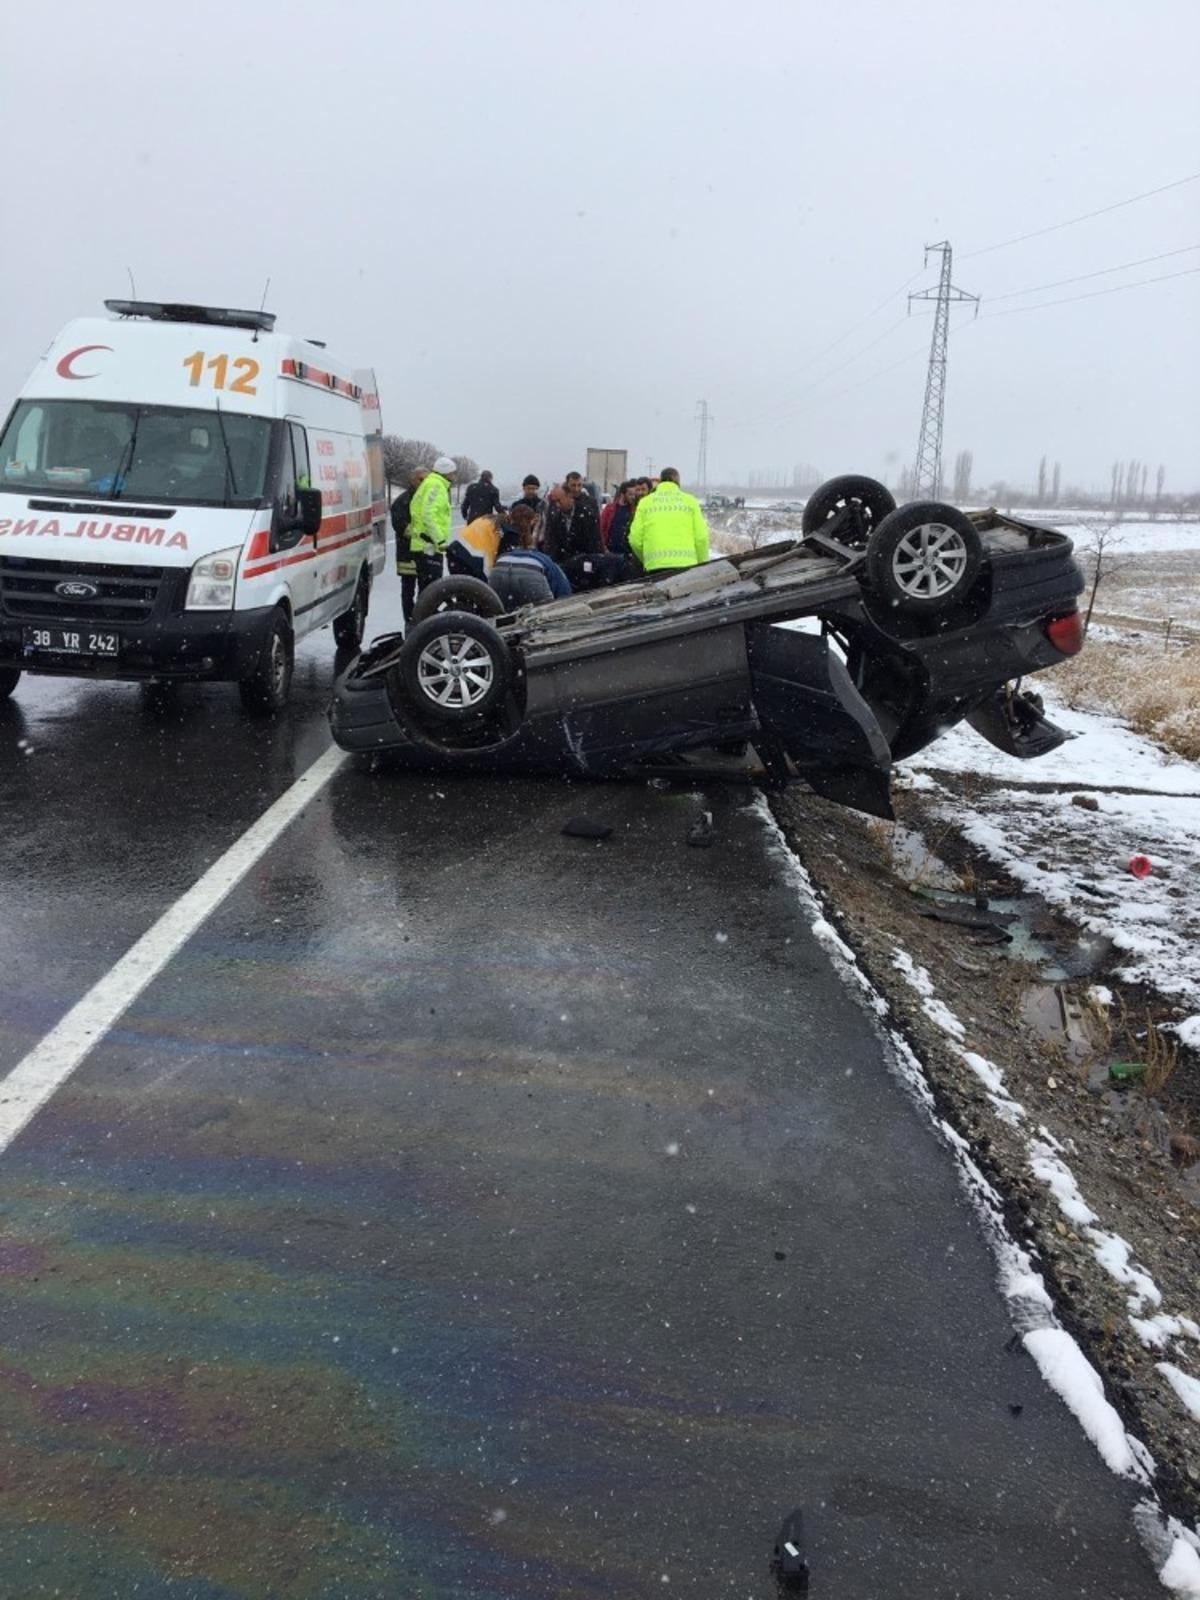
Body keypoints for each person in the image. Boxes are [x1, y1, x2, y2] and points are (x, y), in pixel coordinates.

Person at [628, 467, 710, 577]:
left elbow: (635, 540)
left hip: (655, 567)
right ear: (678, 482)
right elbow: (701, 538)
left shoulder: (645, 503)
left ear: (660, 481)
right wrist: (701, 564)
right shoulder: (690, 502)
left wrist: (646, 559)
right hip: (686, 566)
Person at [489, 504, 571, 609]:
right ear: (532, 522)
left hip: (499, 568)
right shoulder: (543, 559)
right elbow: (563, 591)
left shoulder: (501, 535)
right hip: (532, 572)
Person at [407, 454, 458, 594]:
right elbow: (428, 514)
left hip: (426, 545)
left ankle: (424, 615)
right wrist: (439, 540)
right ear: (446, 472)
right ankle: (426, 616)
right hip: (428, 546)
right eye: (453, 472)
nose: (455, 476)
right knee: (431, 592)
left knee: (427, 590)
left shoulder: (433, 484)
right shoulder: (436, 486)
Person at [390, 467, 427, 624]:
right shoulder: (403, 501)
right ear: (412, 480)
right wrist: (419, 535)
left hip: (424, 552)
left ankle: (422, 618)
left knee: (425, 589)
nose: (424, 482)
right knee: (408, 589)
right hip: (407, 552)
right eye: (421, 479)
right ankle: (410, 620)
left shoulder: (428, 499)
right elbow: (399, 524)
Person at [542, 470, 601, 566]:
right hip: (561, 558)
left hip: (581, 558)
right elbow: (549, 535)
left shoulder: (589, 505)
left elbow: (595, 534)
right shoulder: (555, 506)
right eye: (573, 485)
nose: (577, 489)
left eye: (579, 485)